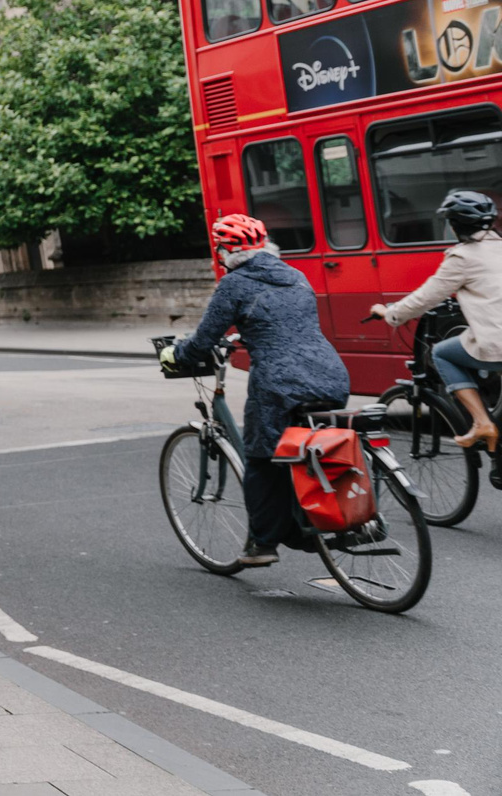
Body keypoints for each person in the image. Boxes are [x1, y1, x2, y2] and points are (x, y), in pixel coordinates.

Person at [162, 213, 350, 566]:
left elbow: (203, 342)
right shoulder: (295, 275)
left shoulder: (234, 284)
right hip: (331, 373)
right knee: (313, 449)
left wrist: (176, 353)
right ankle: (309, 522)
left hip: (280, 383)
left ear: (224, 251)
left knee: (262, 458)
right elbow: (288, 325)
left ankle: (262, 545)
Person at [371, 188, 502, 455]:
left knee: (442, 352)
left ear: (454, 225)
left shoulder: (462, 257)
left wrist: (390, 314)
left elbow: (425, 298)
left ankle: (481, 422)